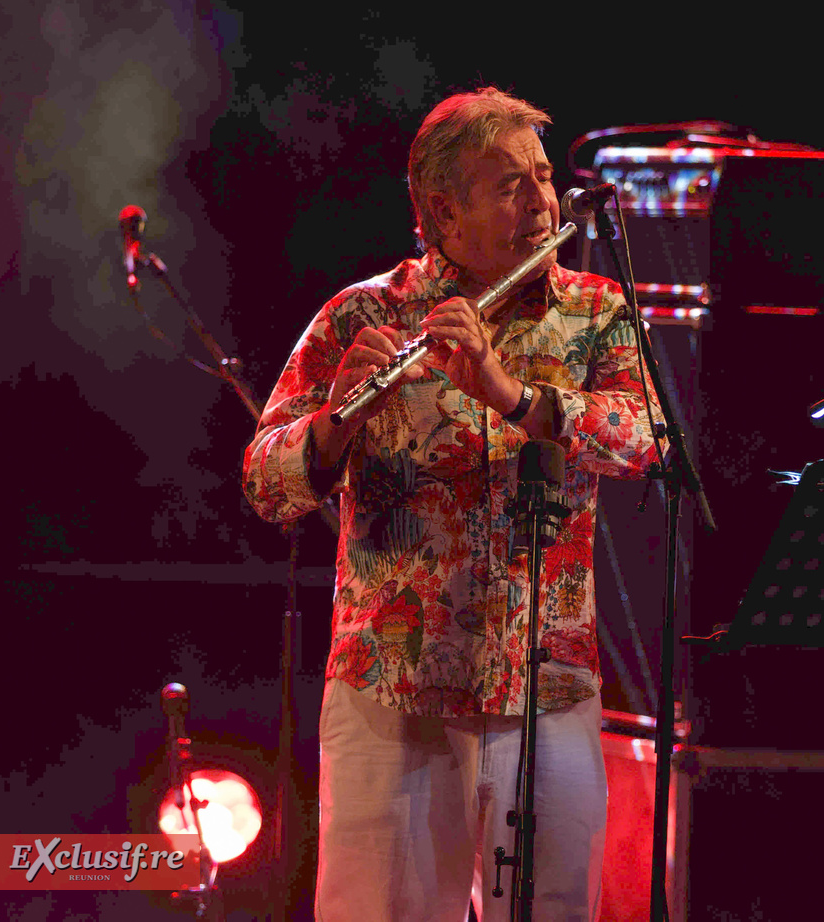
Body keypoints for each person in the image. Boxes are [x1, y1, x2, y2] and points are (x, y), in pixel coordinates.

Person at [243, 87, 665, 921]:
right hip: (392, 691)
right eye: (511, 185)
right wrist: (336, 422)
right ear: (443, 208)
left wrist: (515, 397)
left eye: (544, 177)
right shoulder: (366, 313)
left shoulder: (596, 312)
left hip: (548, 682)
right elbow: (264, 482)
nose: (543, 202)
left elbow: (644, 438)